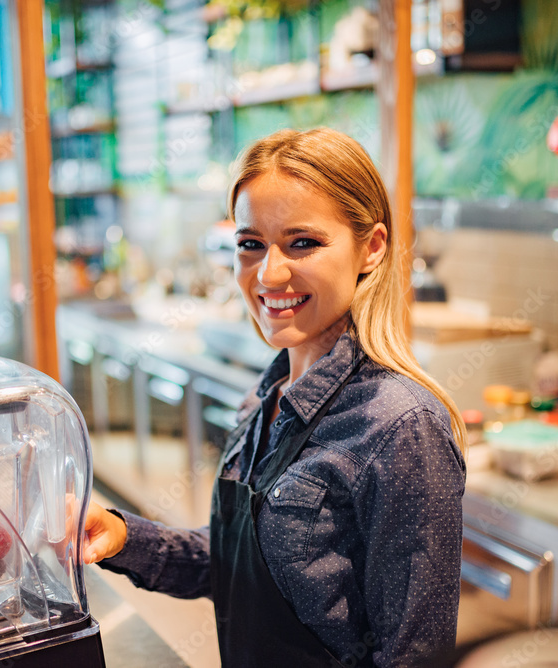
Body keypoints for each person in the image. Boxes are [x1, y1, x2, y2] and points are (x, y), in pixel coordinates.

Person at [82, 128, 468, 666]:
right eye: (251, 244)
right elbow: (235, 568)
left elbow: (415, 656)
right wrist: (123, 536)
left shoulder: (399, 426)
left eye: (303, 242)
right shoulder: (265, 401)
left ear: (371, 247)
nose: (269, 272)